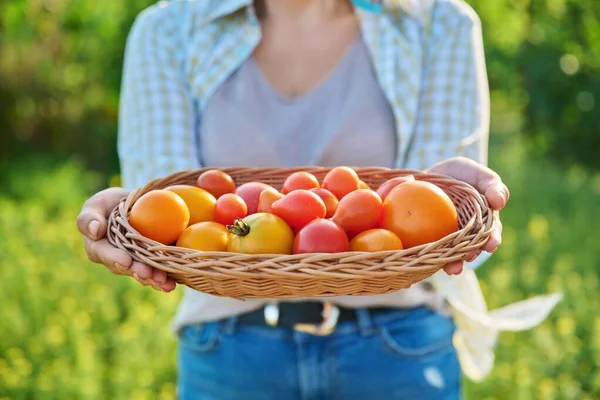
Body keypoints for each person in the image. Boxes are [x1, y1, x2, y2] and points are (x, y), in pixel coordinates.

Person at [77, 0, 510, 398]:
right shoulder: (168, 29)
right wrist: (128, 217)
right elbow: (171, 215)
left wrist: (460, 205)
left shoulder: (437, 22)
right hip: (229, 353)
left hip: (397, 349)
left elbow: (429, 226)